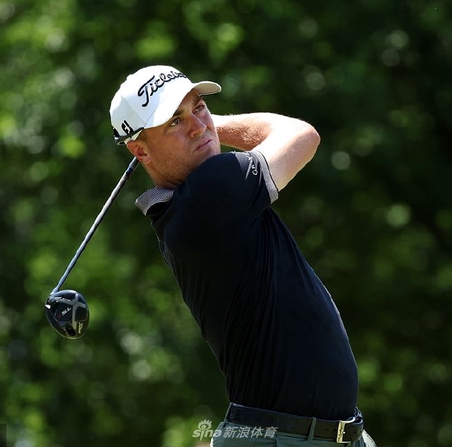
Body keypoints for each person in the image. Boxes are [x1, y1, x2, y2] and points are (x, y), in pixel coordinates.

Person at [109, 65, 376, 447]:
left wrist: (201, 125)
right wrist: (216, 124)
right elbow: (301, 135)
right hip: (283, 439)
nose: (198, 126)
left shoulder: (181, 208)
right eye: (174, 122)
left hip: (326, 435)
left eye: (199, 107)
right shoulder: (210, 192)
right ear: (140, 150)